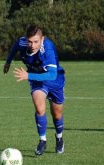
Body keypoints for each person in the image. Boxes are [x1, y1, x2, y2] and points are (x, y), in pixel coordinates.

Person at [4, 25, 65, 156]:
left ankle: (59, 138)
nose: (32, 45)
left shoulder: (47, 49)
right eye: (30, 41)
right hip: (37, 80)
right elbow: (15, 46)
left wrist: (28, 76)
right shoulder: (23, 42)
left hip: (55, 80)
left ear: (42, 39)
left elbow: (51, 75)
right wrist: (8, 62)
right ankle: (42, 140)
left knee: (57, 114)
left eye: (36, 41)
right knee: (39, 107)